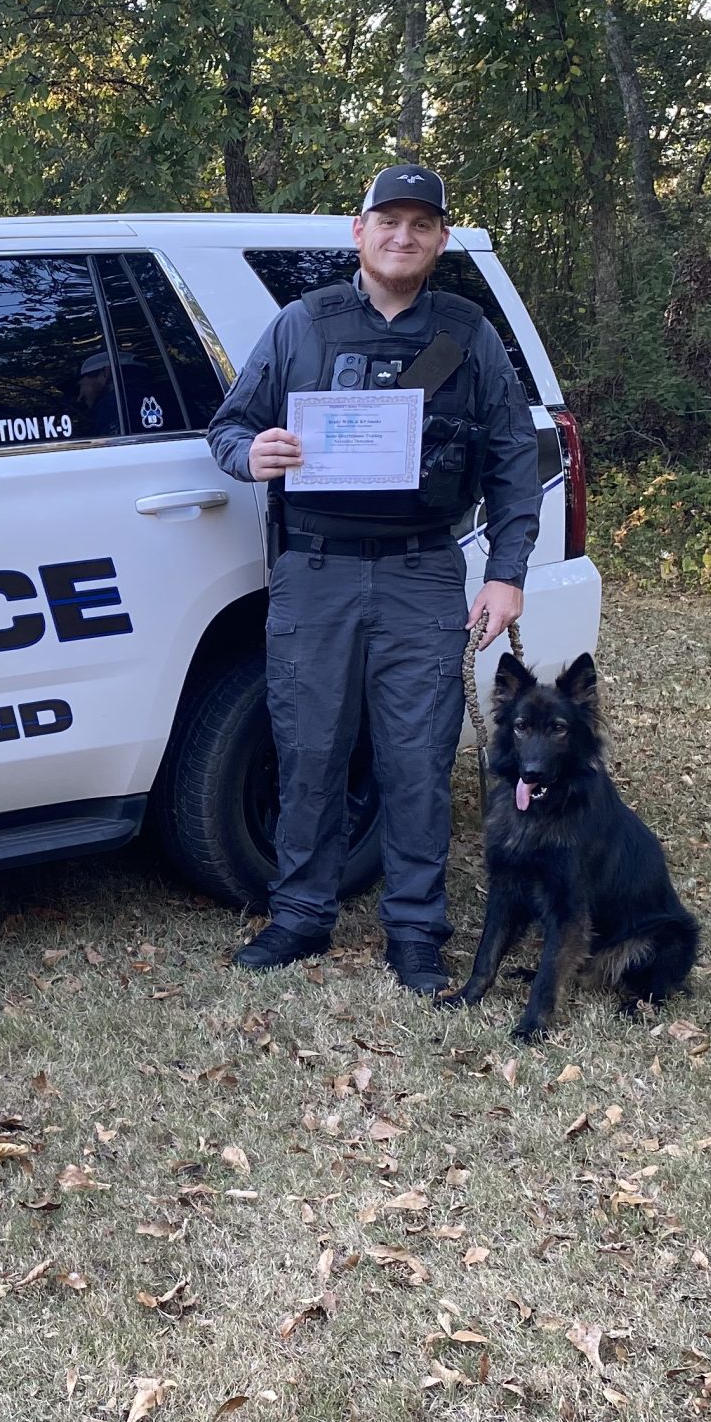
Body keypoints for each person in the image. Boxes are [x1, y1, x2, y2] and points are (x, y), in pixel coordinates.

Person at [204, 164, 539, 993]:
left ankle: (417, 930)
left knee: (417, 758)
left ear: (441, 240)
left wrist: (506, 574)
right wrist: (253, 454)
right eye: (388, 219)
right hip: (313, 571)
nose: (403, 235)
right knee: (308, 747)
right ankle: (300, 915)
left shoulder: (469, 336)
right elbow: (230, 425)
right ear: (358, 230)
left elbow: (511, 461)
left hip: (422, 571)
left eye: (421, 223)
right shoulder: (300, 326)